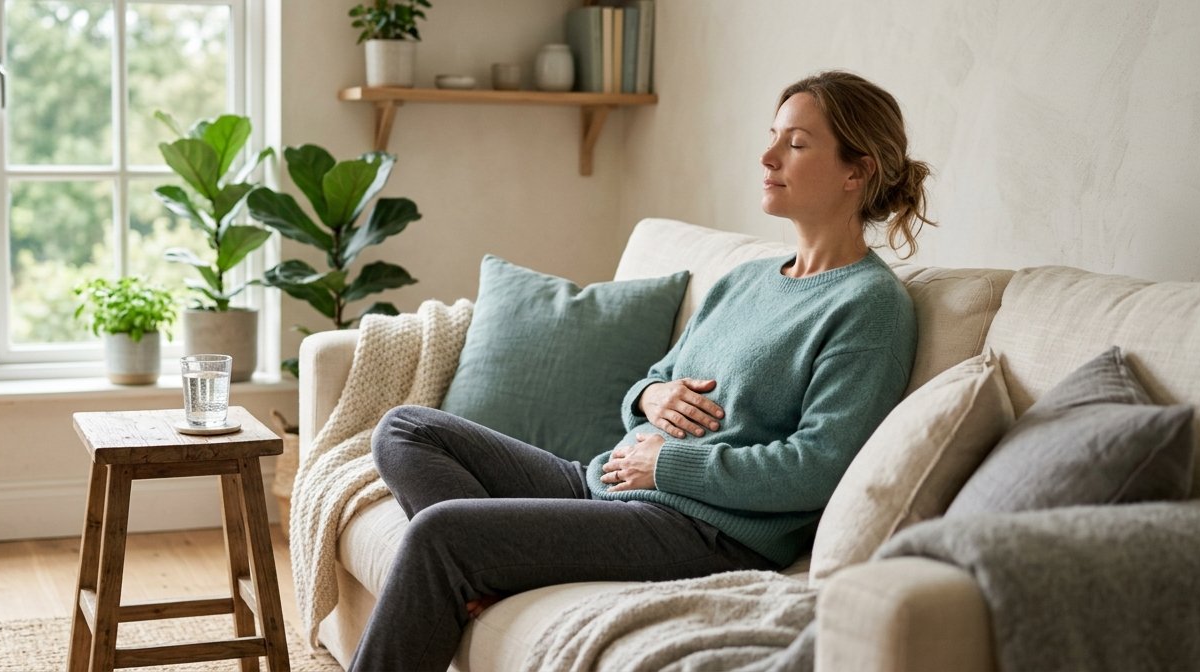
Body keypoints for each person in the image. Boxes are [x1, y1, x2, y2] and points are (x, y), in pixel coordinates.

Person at [349, 70, 934, 672]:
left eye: (797, 143)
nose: (768, 157)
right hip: (606, 482)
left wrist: (667, 464)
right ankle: (491, 569)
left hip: (701, 530)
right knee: (404, 430)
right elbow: (653, 378)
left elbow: (818, 468)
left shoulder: (869, 306)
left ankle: (480, 561)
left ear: (856, 172)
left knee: (442, 533)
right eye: (773, 136)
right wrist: (651, 397)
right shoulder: (746, 279)